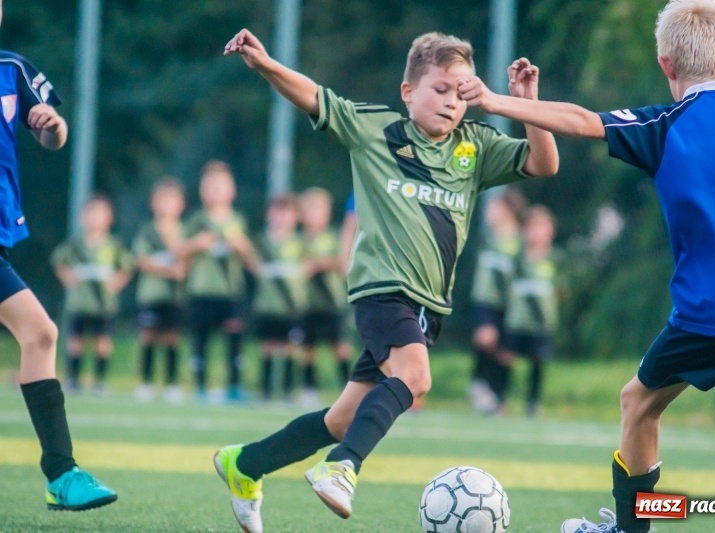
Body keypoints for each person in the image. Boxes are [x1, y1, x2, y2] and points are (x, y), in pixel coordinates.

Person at [457, 1, 715, 532]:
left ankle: (630, 529)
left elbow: (581, 122)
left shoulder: (667, 124)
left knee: (639, 405)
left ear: (666, 65)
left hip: (712, 316)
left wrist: (497, 101)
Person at [215, 29, 558, 532]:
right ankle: (342, 466)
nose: (451, 102)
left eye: (461, 92)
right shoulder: (375, 129)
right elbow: (313, 95)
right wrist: (266, 64)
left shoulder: (476, 146)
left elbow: (544, 163)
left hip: (428, 306)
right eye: (440, 89)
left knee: (340, 420)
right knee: (416, 379)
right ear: (408, 92)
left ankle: (244, 465)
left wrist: (528, 104)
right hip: (383, 290)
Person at [0, 0, 117, 510]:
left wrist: (51, 125)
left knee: (40, 334)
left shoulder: (13, 69)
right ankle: (62, 472)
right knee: (41, 332)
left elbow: (54, 137)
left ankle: (62, 475)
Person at [181, 161, 255, 402]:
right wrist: (196, 244)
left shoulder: (237, 220)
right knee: (201, 340)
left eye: (221, 185)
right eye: (210, 186)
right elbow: (180, 252)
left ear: (231, 190)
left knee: (234, 338)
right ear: (202, 190)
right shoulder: (196, 221)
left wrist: (242, 246)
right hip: (202, 290)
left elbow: (250, 258)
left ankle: (234, 385)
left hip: (231, 292)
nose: (215, 190)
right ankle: (200, 385)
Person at [51, 194, 135, 396]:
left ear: (110, 218)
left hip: (103, 304)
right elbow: (58, 261)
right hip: (79, 303)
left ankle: (99, 381)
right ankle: (73, 379)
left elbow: (127, 267)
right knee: (75, 342)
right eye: (91, 213)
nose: (95, 218)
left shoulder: (113, 245)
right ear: (82, 217)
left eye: (100, 213)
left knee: (102, 342)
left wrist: (116, 283)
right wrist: (68, 278)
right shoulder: (75, 244)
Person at [468, 188, 526, 415]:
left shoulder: (519, 241)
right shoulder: (488, 237)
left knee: (505, 354)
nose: (489, 212)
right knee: (485, 338)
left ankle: (499, 398)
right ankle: (479, 384)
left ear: (507, 210)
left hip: (511, 305)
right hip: (487, 301)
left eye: (494, 207)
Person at [501, 204, 561, 417]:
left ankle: (533, 402)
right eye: (533, 227)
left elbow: (561, 289)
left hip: (542, 322)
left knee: (537, 360)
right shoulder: (517, 258)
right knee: (507, 358)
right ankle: (502, 399)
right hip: (516, 320)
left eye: (542, 227)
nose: (537, 233)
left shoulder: (554, 259)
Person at [132, 178, 187, 403]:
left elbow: (188, 259)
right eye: (162, 200)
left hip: (175, 296)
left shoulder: (185, 231)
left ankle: (172, 384)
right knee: (148, 336)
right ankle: (146, 383)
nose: (166, 205)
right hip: (151, 294)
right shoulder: (147, 232)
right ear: (153, 203)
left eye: (171, 200)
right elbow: (142, 261)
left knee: (172, 338)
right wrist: (170, 270)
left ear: (181, 204)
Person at [248, 193, 305, 401]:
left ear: (296, 217)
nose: (281, 218)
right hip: (267, 304)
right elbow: (251, 263)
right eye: (277, 212)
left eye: (287, 213)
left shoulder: (300, 242)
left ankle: (288, 390)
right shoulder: (261, 241)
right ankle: (264, 390)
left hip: (292, 305)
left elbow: (309, 263)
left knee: (290, 347)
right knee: (267, 347)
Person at [298, 187, 351, 405]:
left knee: (339, 346)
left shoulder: (333, 237)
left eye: (318, 210)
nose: (314, 215)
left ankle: (348, 387)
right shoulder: (298, 239)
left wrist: (317, 264)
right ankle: (309, 387)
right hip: (306, 303)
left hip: (332, 302)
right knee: (307, 348)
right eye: (309, 210)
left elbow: (342, 261)